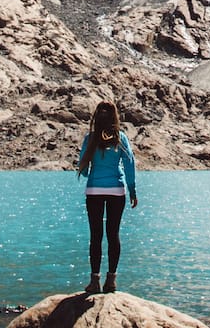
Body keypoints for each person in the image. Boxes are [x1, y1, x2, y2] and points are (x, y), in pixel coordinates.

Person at [75, 100, 138, 295]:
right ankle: (111, 281)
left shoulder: (91, 139)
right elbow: (130, 164)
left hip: (94, 190)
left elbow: (83, 168)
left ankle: (94, 281)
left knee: (96, 236)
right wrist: (132, 189)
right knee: (113, 235)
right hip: (116, 191)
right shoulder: (120, 138)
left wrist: (90, 173)